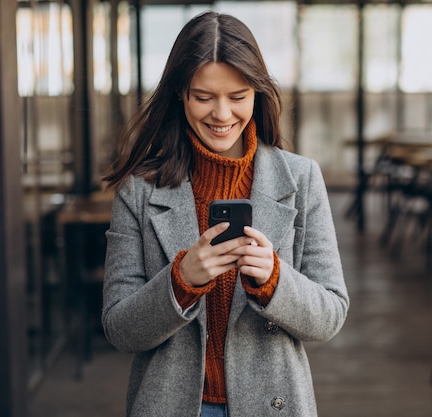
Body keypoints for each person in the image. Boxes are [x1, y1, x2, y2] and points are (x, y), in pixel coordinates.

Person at [101, 10, 349, 417]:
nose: (221, 114)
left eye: (238, 97)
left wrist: (274, 280)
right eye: (203, 97)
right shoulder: (139, 190)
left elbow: (331, 314)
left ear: (257, 93)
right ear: (180, 94)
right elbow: (120, 327)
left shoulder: (301, 179)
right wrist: (181, 281)